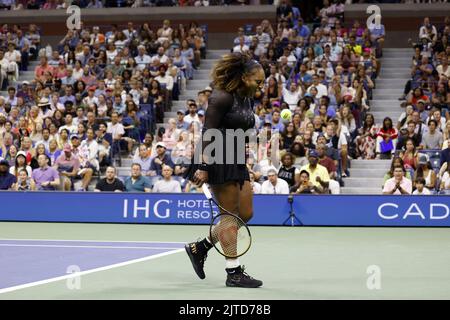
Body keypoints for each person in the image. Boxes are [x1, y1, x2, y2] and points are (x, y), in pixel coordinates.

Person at [184, 53, 264, 288]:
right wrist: (203, 167)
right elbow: (208, 132)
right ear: (243, 77)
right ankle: (234, 272)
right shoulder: (221, 97)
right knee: (229, 216)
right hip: (216, 158)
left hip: (236, 158)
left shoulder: (247, 97)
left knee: (246, 213)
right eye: (257, 81)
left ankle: (200, 247)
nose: (260, 86)